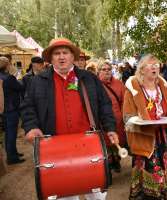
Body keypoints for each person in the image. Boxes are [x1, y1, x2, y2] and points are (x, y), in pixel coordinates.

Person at [20, 38, 118, 200]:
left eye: (65, 52)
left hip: (89, 146)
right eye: (57, 53)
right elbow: (27, 107)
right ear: (51, 59)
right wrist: (31, 127)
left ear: (73, 57)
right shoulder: (38, 81)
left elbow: (105, 105)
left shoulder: (89, 78)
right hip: (55, 149)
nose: (61, 57)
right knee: (63, 196)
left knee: (97, 195)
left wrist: (110, 128)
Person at [123, 54, 167, 200]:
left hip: (163, 135)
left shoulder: (163, 86)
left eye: (156, 64)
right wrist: (141, 121)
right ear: (141, 69)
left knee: (163, 168)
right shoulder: (133, 88)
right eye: (150, 64)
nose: (155, 67)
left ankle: (162, 194)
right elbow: (127, 115)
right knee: (148, 170)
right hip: (145, 136)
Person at [98, 61, 126, 173]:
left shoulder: (119, 84)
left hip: (118, 120)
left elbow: (125, 100)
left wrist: (124, 116)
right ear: (98, 71)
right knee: (105, 144)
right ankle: (108, 165)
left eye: (108, 69)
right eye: (103, 69)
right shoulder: (95, 84)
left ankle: (116, 161)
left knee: (117, 142)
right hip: (102, 121)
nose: (106, 71)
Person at [0, 56, 24, 165]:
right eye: (10, 63)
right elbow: (20, 87)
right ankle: (12, 157)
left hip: (4, 108)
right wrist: (15, 75)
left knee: (9, 133)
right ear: (7, 66)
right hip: (11, 108)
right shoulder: (9, 78)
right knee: (11, 133)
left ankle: (12, 153)